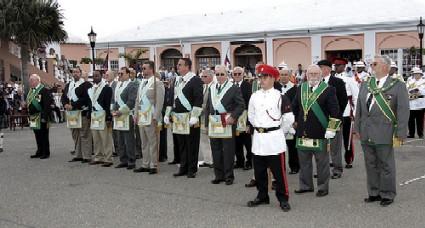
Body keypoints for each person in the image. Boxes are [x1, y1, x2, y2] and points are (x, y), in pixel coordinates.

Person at [353, 55, 409, 206]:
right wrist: (356, 127)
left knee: (386, 164)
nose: (371, 66)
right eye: (371, 64)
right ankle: (374, 192)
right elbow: (359, 107)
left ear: (385, 67)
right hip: (366, 131)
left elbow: (403, 110)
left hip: (385, 131)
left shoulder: (397, 85)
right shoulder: (366, 84)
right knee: (370, 164)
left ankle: (387, 194)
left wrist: (401, 132)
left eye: (374, 64)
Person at [246, 64, 293, 212]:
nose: (262, 80)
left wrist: (279, 132)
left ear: (273, 78)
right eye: (260, 77)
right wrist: (260, 127)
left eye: (265, 77)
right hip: (259, 139)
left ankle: (283, 198)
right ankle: (262, 196)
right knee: (259, 171)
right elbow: (251, 115)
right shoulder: (254, 96)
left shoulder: (280, 96)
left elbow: (288, 118)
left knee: (279, 173)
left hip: (274, 139)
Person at [292, 65, 340, 198]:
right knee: (304, 162)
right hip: (303, 132)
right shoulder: (301, 88)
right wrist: (293, 121)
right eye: (310, 73)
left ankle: (323, 187)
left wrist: (331, 129)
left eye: (316, 73)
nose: (313, 76)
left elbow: (335, 112)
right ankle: (306, 186)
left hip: (320, 132)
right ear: (306, 75)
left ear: (320, 75)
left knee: (322, 163)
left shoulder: (329, 90)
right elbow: (295, 107)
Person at [205, 65, 245, 185]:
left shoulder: (232, 88)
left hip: (227, 121)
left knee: (228, 150)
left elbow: (241, 105)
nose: (219, 77)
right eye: (217, 74)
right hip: (214, 122)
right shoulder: (211, 88)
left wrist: (233, 116)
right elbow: (208, 107)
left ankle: (228, 176)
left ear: (226, 75)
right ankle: (218, 175)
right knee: (215, 149)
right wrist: (206, 124)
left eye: (222, 74)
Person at [164, 58, 203, 178]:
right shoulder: (176, 79)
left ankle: (192, 169)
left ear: (187, 66)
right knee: (181, 144)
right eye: (177, 65)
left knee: (191, 143)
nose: (177, 67)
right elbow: (171, 97)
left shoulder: (195, 80)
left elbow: (198, 98)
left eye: (180, 65)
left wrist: (195, 116)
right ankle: (183, 167)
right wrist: (167, 113)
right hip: (178, 117)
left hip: (190, 116)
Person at [317, 59, 348, 179]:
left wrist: (336, 115)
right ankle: (322, 170)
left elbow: (343, 100)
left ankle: (337, 169)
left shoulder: (338, 82)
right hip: (319, 119)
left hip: (333, 119)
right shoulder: (315, 82)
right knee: (321, 146)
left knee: (335, 146)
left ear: (328, 69)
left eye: (321, 68)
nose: (318, 71)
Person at [134, 61, 165, 174]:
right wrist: (135, 114)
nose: (143, 71)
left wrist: (156, 117)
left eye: (145, 68)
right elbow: (138, 100)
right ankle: (145, 163)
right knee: (144, 142)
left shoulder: (157, 83)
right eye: (142, 68)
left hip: (151, 116)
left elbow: (160, 102)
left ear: (151, 69)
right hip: (142, 116)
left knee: (153, 142)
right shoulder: (142, 83)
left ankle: (153, 164)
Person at [63, 67, 93, 163]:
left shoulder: (86, 85)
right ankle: (78, 154)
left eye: (77, 72)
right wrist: (65, 104)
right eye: (74, 72)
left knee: (84, 134)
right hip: (72, 113)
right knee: (75, 134)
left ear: (80, 73)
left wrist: (73, 105)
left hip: (82, 112)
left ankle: (86, 156)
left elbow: (86, 98)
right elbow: (64, 97)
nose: (75, 73)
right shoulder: (68, 85)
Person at [112, 67, 139, 170]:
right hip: (118, 115)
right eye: (119, 74)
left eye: (122, 74)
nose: (119, 75)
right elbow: (116, 100)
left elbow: (131, 101)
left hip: (127, 114)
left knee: (129, 139)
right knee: (120, 139)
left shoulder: (132, 85)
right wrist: (114, 110)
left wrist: (121, 111)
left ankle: (131, 160)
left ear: (128, 74)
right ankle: (123, 159)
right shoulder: (118, 85)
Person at [335, 59, 359, 169]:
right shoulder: (330, 79)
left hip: (346, 112)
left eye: (339, 65)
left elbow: (356, 97)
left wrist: (354, 112)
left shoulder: (350, 80)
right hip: (334, 114)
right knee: (333, 138)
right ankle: (334, 159)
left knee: (347, 138)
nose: (336, 67)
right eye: (335, 65)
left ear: (344, 66)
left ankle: (348, 159)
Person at [88, 70, 114, 167]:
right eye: (94, 76)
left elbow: (107, 104)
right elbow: (90, 102)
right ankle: (98, 156)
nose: (95, 77)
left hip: (103, 115)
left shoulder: (107, 88)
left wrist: (108, 117)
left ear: (101, 76)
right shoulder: (91, 88)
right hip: (94, 115)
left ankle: (108, 158)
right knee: (96, 138)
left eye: (97, 75)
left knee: (105, 138)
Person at [28, 74, 54, 159]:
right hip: (33, 116)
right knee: (37, 134)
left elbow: (47, 105)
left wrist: (45, 117)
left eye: (32, 80)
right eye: (30, 80)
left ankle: (46, 152)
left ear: (37, 81)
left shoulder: (44, 90)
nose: (30, 82)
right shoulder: (31, 91)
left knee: (44, 135)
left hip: (41, 115)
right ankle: (39, 151)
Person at [279, 67, 299, 174]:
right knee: (279, 147)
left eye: (285, 74)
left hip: (291, 122)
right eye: (281, 74)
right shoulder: (275, 88)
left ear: (290, 76)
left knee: (292, 146)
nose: (283, 77)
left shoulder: (296, 89)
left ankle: (294, 166)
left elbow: (299, 106)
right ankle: (280, 168)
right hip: (277, 123)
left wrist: (296, 121)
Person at [232, 66, 253, 170]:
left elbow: (250, 104)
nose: (237, 76)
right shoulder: (231, 86)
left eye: (239, 74)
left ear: (243, 75)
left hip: (245, 117)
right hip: (234, 117)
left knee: (247, 141)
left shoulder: (247, 86)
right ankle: (239, 161)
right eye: (235, 74)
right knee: (236, 141)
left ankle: (249, 161)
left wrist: (249, 122)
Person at [199, 69, 215, 168]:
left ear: (210, 77)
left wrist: (201, 108)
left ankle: (213, 160)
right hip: (202, 117)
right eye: (202, 76)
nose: (202, 78)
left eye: (204, 76)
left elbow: (211, 103)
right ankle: (207, 160)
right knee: (203, 139)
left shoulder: (213, 87)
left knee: (211, 140)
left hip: (210, 117)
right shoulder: (204, 86)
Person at [406, 67, 425, 138]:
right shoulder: (410, 81)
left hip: (420, 103)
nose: (416, 75)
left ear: (420, 74)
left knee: (419, 120)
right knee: (410, 120)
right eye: (415, 74)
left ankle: (420, 133)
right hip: (411, 102)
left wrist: (420, 92)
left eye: (418, 74)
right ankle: (411, 133)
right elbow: (406, 89)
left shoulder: (423, 81)